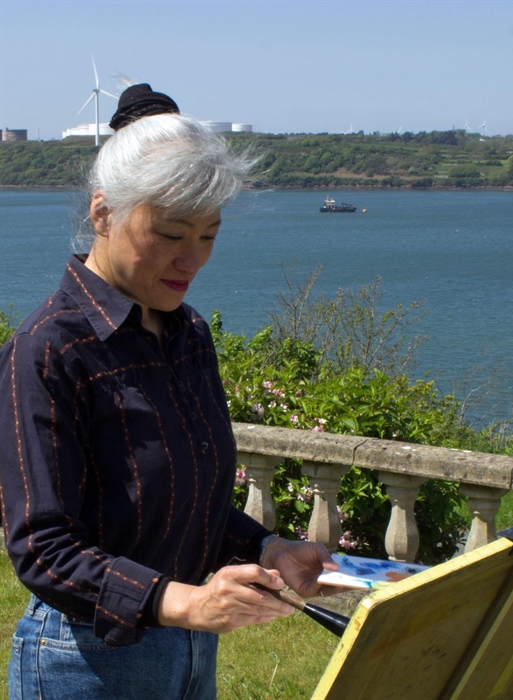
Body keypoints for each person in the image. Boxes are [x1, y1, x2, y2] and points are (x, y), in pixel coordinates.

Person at [0, 84, 338, 699]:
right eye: (171, 233)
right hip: (86, 659)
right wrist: (180, 601)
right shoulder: (49, 349)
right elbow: (42, 548)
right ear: (103, 213)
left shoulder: (189, 334)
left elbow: (185, 501)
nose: (192, 259)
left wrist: (267, 545)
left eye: (208, 235)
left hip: (189, 650)